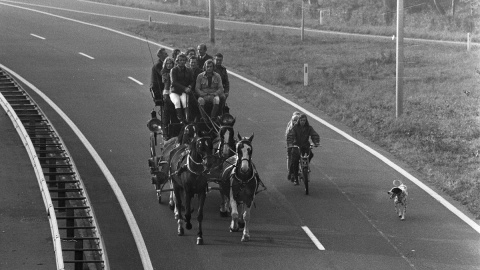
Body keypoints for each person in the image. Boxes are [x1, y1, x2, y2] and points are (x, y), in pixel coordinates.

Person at [286, 113, 320, 185]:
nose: (303, 122)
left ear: (306, 121)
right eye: (301, 120)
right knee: (295, 161)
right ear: (299, 120)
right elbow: (290, 136)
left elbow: (314, 135)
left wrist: (316, 142)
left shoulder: (309, 128)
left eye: (304, 120)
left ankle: (306, 165)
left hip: (305, 146)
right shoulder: (295, 128)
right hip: (296, 146)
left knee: (311, 155)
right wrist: (290, 144)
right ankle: (295, 178)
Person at [170, 53, 194, 124]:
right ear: (177, 61)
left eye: (184, 60)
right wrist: (184, 88)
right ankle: (181, 119)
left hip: (184, 91)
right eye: (180, 60)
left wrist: (190, 86)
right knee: (177, 102)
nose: (182, 62)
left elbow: (192, 81)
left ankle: (187, 119)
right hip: (175, 91)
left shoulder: (189, 70)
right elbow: (173, 82)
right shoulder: (173, 70)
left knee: (185, 102)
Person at [160, 56, 177, 139]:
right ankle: (165, 132)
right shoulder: (164, 72)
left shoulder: (175, 71)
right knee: (167, 111)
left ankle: (174, 131)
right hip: (167, 92)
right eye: (167, 63)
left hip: (174, 92)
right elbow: (165, 81)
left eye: (170, 63)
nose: (169, 65)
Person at [285, 112, 301, 181]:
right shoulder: (290, 127)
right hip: (291, 144)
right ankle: (291, 173)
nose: (296, 121)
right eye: (295, 120)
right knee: (291, 157)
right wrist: (290, 145)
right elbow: (287, 136)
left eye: (297, 120)